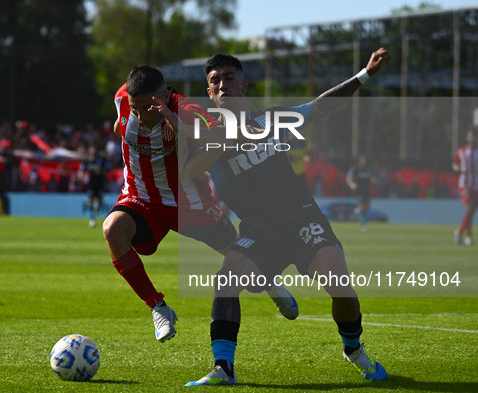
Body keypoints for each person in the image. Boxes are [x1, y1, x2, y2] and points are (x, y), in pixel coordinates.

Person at [154, 48, 391, 385]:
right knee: (227, 280)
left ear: (244, 84)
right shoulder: (208, 138)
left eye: (229, 77)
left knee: (340, 288)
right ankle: (224, 368)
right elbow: (191, 170)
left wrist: (365, 74)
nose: (222, 85)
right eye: (214, 81)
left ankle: (353, 349)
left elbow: (323, 105)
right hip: (259, 230)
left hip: (303, 218)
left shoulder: (272, 120)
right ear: (209, 93)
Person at [102, 65, 297, 344]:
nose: (141, 116)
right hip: (141, 197)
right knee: (112, 229)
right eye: (135, 108)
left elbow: (222, 135)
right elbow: (120, 124)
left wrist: (180, 127)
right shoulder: (125, 100)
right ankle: (159, 308)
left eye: (149, 108)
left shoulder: (187, 109)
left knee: (240, 259)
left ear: (165, 96)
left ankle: (269, 283)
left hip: (189, 202)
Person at [452, 129, 478, 246]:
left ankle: (459, 232)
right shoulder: (461, 151)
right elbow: (455, 163)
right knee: (470, 208)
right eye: (470, 136)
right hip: (465, 184)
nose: (472, 138)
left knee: (471, 211)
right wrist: (456, 168)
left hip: (476, 185)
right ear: (467, 138)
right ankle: (469, 236)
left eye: (474, 136)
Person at [79, 145, 110, 228]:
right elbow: (81, 169)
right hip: (91, 184)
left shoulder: (101, 161)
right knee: (90, 201)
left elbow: (108, 168)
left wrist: (101, 172)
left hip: (100, 184)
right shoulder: (87, 161)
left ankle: (95, 212)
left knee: (99, 203)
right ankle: (92, 220)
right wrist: (81, 176)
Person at [346, 155, 376, 231]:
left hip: (367, 190)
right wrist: (351, 184)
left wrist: (373, 181)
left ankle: (358, 211)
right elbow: (349, 178)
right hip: (359, 190)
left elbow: (373, 177)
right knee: (361, 206)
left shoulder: (369, 169)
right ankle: (363, 225)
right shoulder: (355, 168)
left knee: (366, 208)